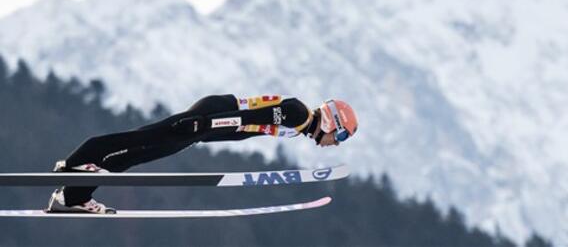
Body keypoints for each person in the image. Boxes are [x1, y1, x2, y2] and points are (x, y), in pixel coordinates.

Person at [47, 94, 358, 214]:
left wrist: (208, 132)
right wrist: (205, 125)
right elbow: (246, 119)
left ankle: (72, 196)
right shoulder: (297, 114)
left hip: (210, 126)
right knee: (143, 138)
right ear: (331, 121)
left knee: (136, 154)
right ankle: (74, 163)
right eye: (341, 134)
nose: (336, 142)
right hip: (212, 116)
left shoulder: (299, 125)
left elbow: (246, 126)